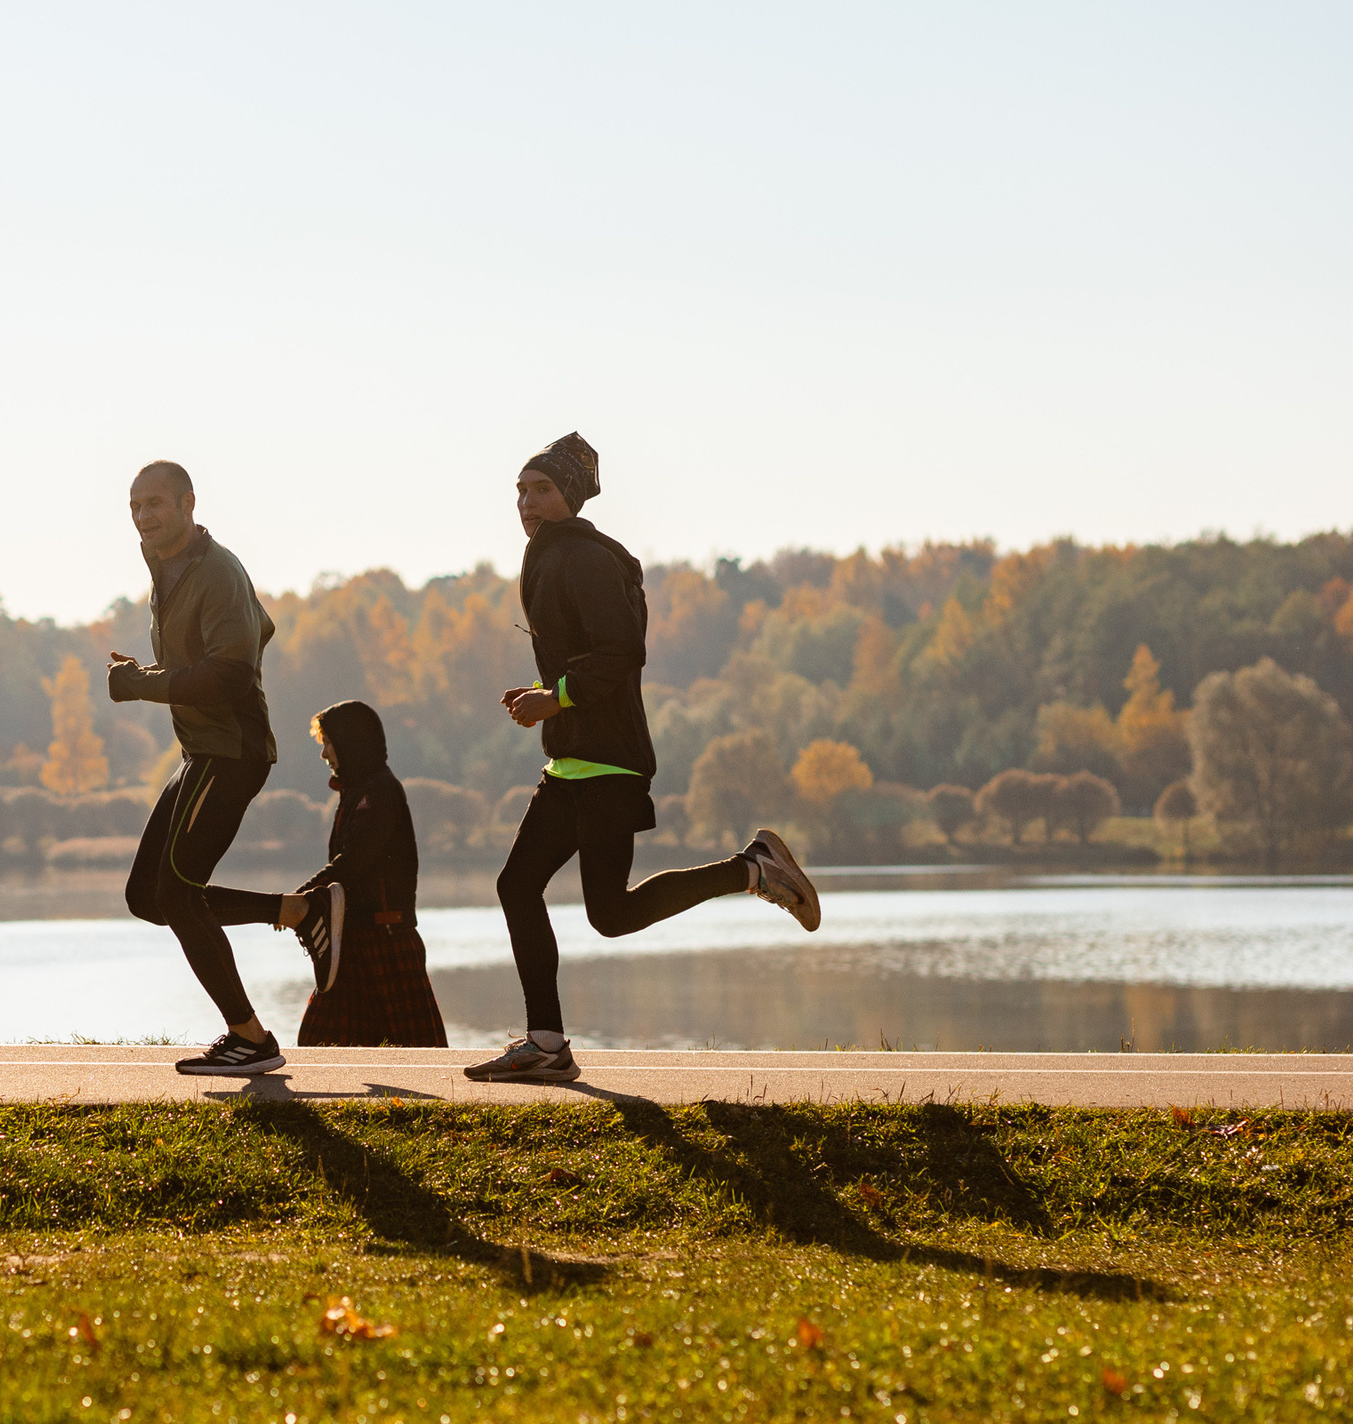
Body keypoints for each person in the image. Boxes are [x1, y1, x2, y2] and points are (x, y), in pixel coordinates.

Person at [468, 431, 820, 1082]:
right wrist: (550, 697)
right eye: (520, 490)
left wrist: (558, 696)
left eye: (541, 488)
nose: (526, 500)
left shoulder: (586, 558)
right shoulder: (552, 555)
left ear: (569, 495)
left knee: (611, 913)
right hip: (572, 762)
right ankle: (546, 1042)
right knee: (518, 885)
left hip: (607, 761)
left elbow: (623, 650)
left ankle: (752, 869)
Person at [108, 460, 312, 1075]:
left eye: (156, 504)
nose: (144, 516)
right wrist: (157, 677)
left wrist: (147, 686)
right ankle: (299, 911)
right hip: (204, 750)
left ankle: (250, 1038)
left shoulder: (216, 569)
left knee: (177, 891)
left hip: (231, 752)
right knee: (148, 895)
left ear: (188, 503)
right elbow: (259, 627)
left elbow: (232, 672)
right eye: (135, 507)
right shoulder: (170, 569)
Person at [245, 700, 448, 1048]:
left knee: (421, 1052)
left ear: (351, 743)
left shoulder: (379, 792)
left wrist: (298, 899)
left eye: (329, 742)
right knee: (318, 1044)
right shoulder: (357, 790)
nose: (324, 754)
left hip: (386, 938)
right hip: (350, 940)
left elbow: (353, 862)